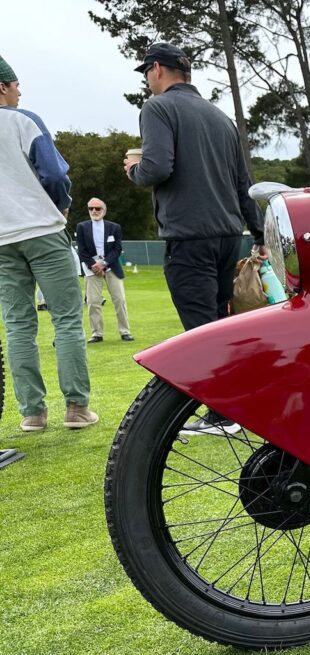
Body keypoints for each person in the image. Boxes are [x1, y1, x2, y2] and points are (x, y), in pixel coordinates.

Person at [125, 43, 265, 434]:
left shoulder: (157, 108)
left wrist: (134, 170)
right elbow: (243, 184)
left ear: (156, 69)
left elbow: (156, 167)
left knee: (201, 331)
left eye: (146, 73)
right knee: (219, 323)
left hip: (189, 236)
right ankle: (234, 407)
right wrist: (258, 232)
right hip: (228, 236)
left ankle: (223, 414)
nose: (147, 80)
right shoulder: (220, 117)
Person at [0, 55, 97, 431]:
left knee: (17, 324)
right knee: (68, 319)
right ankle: (76, 408)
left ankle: (32, 413)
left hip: (3, 241)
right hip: (42, 229)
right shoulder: (25, 120)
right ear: (3, 86)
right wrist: (62, 206)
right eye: (16, 84)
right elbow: (55, 174)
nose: (20, 91)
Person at [76, 198, 133, 342]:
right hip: (91, 269)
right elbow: (81, 251)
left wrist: (104, 264)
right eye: (91, 208)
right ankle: (97, 333)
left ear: (104, 211)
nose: (94, 211)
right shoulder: (82, 227)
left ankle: (125, 331)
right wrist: (94, 266)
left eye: (97, 208)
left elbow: (117, 249)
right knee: (93, 302)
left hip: (111, 267)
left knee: (119, 300)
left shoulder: (114, 227)